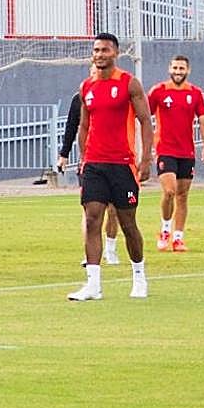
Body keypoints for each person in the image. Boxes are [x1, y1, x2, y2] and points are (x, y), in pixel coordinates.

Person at [68, 34, 153, 301]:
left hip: (123, 165)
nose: (99, 54)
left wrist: (146, 158)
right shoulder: (87, 87)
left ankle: (139, 276)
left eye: (105, 50)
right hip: (95, 165)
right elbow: (84, 125)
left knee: (128, 223)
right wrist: (84, 158)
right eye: (96, 50)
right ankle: (93, 284)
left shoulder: (129, 83)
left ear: (115, 53)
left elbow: (145, 121)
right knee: (93, 219)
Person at [147, 55, 204, 252]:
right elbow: (144, 118)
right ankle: (165, 230)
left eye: (181, 68)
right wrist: (145, 147)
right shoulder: (158, 91)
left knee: (182, 196)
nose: (178, 71)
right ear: (169, 69)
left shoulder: (195, 93)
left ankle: (178, 238)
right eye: (175, 68)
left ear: (188, 71)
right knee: (169, 191)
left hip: (187, 152)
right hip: (165, 149)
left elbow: (203, 120)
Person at [58, 71, 121, 265]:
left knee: (114, 209)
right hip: (89, 162)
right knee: (90, 211)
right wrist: (63, 155)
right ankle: (90, 253)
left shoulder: (118, 94)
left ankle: (110, 248)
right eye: (94, 72)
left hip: (115, 160)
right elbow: (71, 127)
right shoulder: (80, 98)